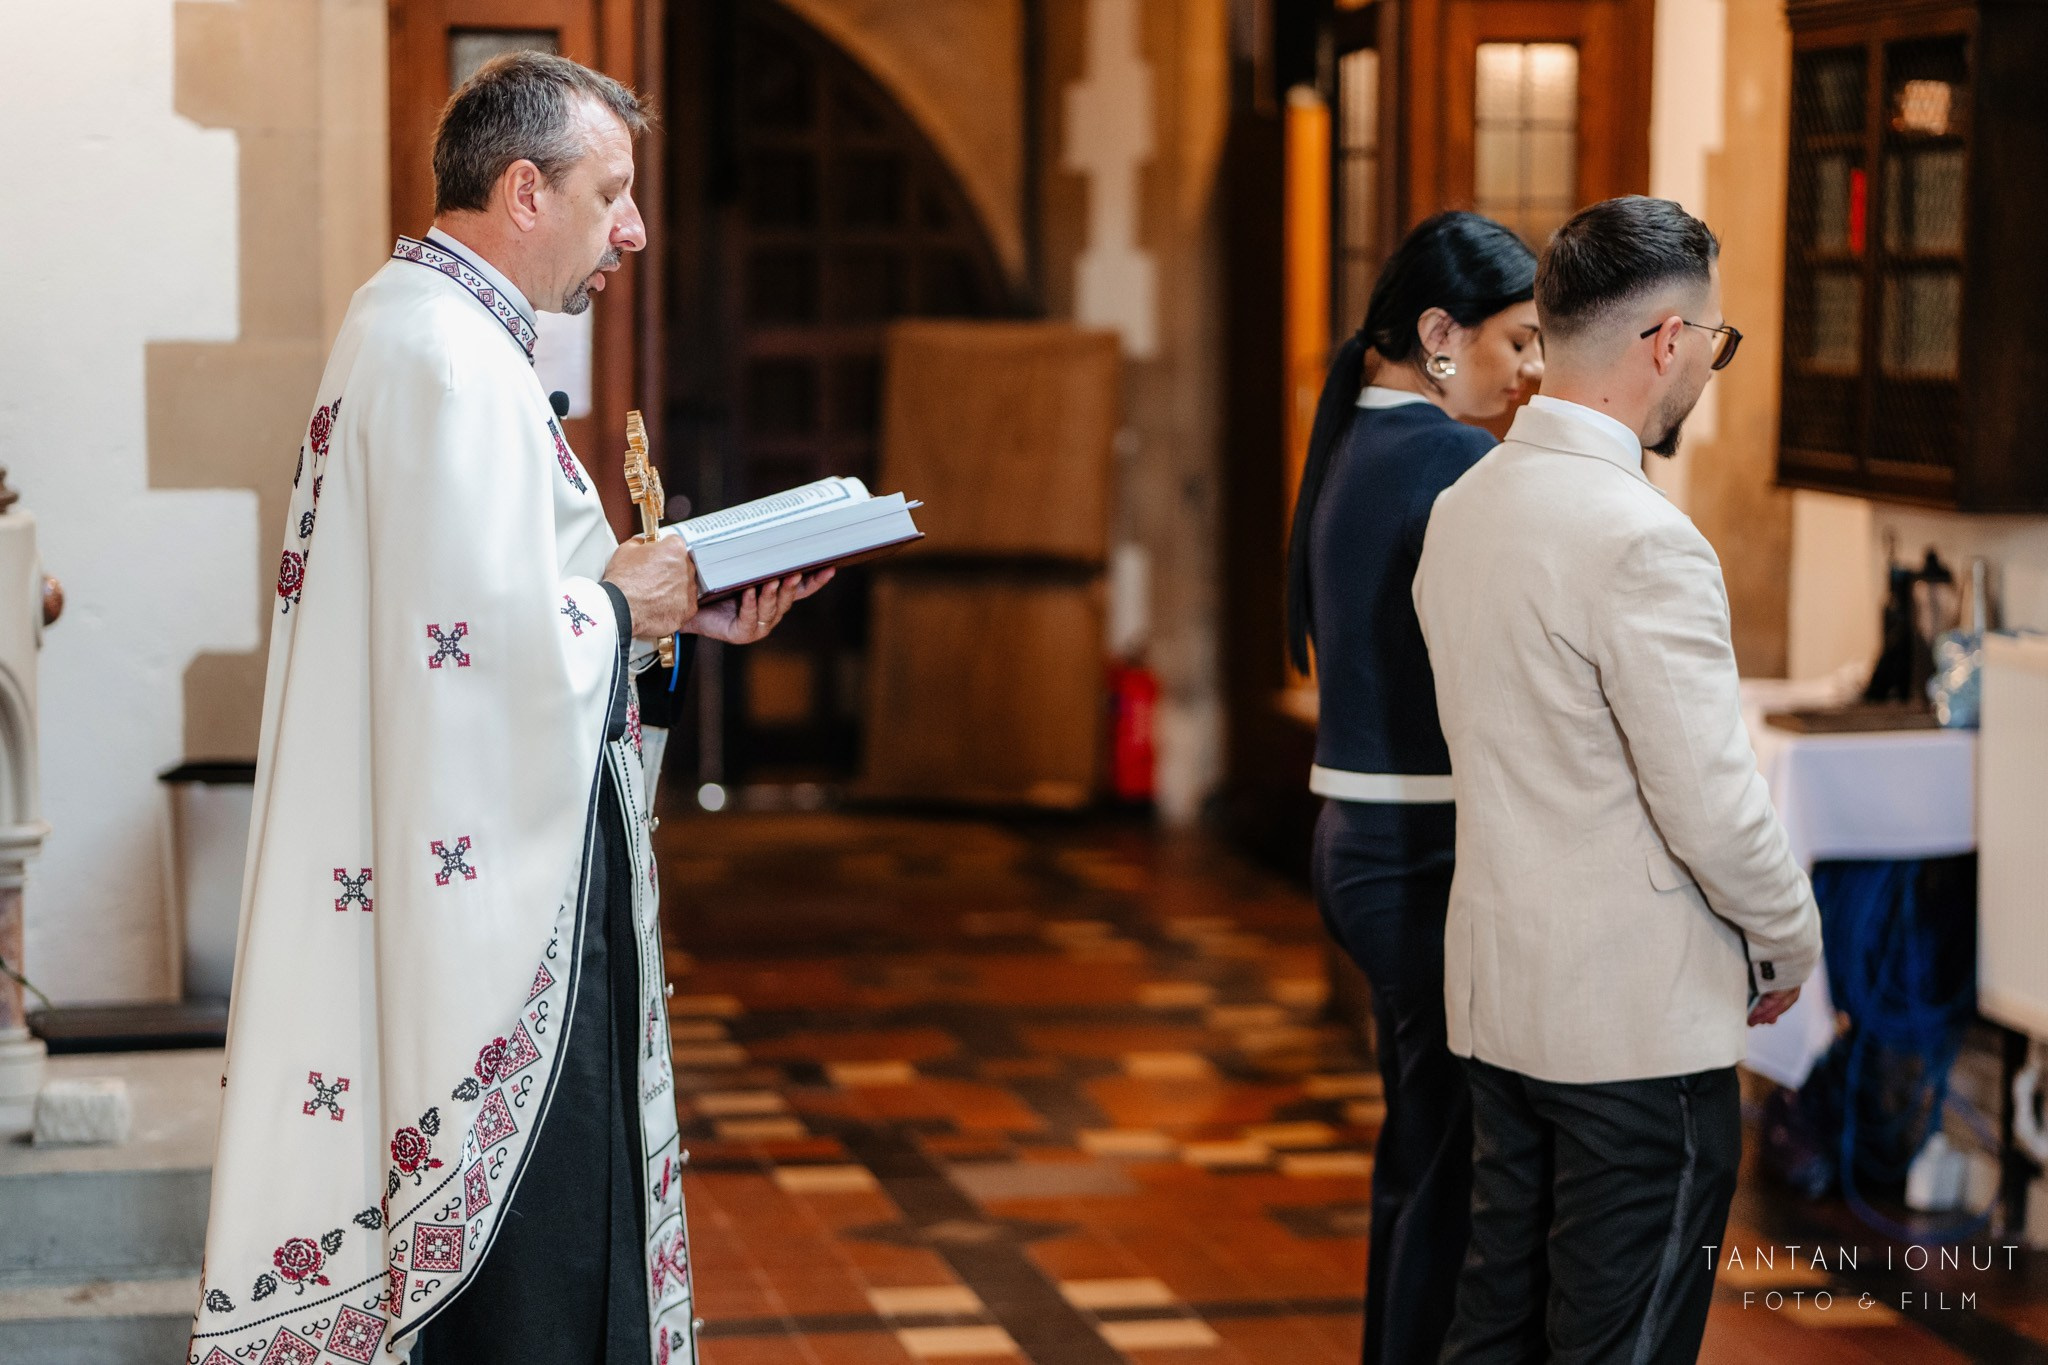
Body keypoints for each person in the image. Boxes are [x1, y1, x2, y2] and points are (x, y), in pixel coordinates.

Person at [190, 53, 826, 1365]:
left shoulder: (429, 330)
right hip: (493, 938)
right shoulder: (441, 355)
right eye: (613, 194)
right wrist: (620, 611)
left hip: (501, 878)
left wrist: (666, 613)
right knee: (537, 1278)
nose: (633, 232)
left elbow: (486, 610)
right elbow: (464, 655)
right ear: (525, 191)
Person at [1412, 196, 1822, 1365]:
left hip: (1501, 1002)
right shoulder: (1640, 538)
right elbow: (1709, 802)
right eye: (1712, 342)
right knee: (1617, 1342)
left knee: (1493, 1324)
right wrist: (1788, 940)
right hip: (1631, 1036)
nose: (1706, 366)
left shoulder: (1462, 509)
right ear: (1665, 342)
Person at [1283, 210, 1541, 1365]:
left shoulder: (1355, 440)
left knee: (1421, 1160)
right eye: (1519, 342)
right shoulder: (1451, 458)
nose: (1533, 371)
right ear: (1439, 332)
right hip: (1420, 857)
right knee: (1455, 1181)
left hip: (1358, 845)